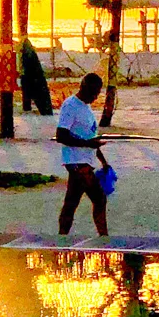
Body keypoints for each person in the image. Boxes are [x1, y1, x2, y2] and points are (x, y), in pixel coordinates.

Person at [55, 73, 110, 235]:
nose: (95, 97)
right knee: (98, 198)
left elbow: (90, 136)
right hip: (76, 162)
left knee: (71, 201)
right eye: (93, 93)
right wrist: (87, 144)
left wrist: (103, 161)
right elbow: (61, 135)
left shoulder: (86, 107)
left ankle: (62, 236)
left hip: (86, 160)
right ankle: (104, 237)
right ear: (84, 88)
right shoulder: (70, 106)